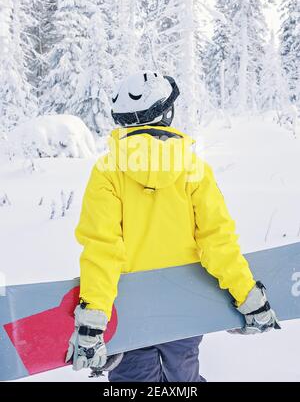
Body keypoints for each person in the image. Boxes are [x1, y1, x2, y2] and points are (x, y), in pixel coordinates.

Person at [66, 71, 280, 382]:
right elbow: (217, 242)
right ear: (166, 113)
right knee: (184, 379)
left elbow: (103, 248)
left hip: (129, 313)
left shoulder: (107, 171)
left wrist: (94, 319)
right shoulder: (193, 168)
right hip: (184, 309)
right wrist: (248, 296)